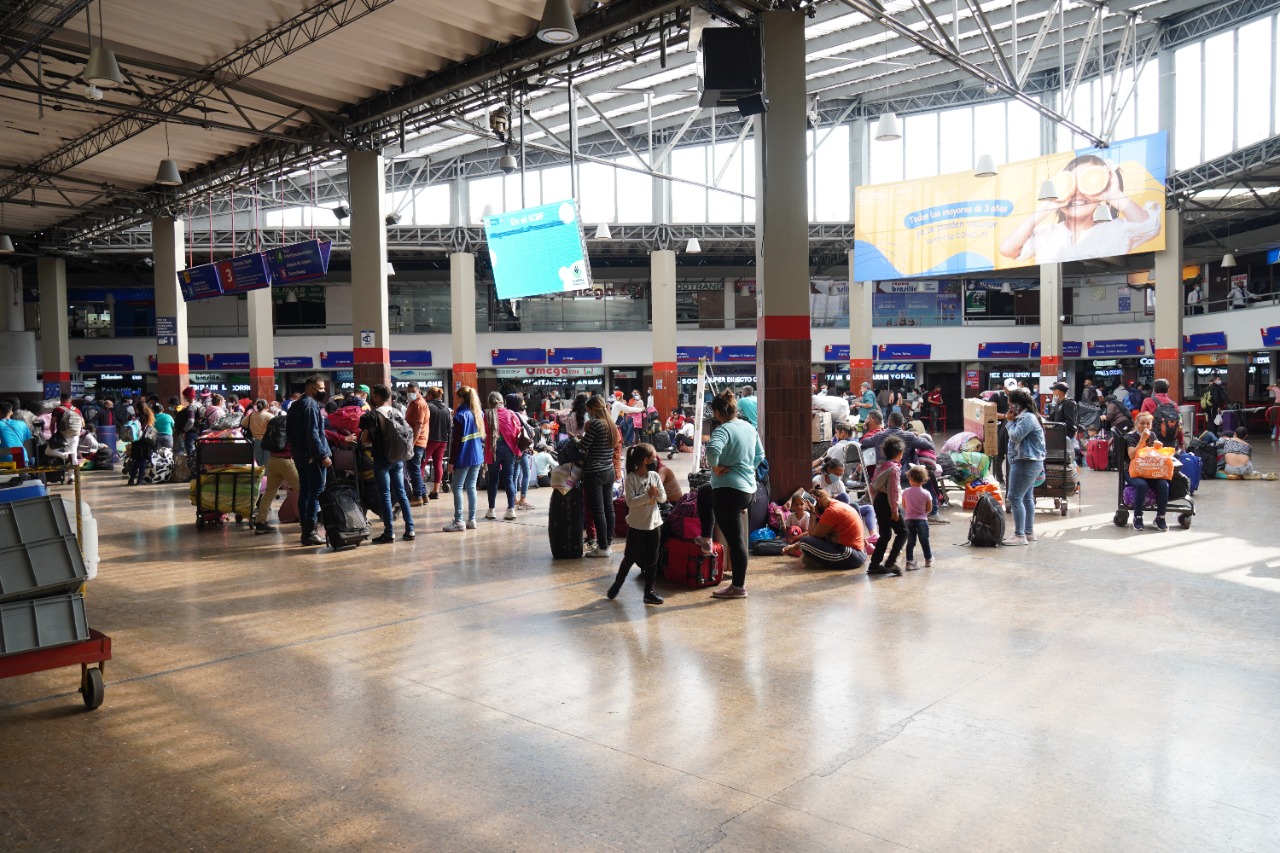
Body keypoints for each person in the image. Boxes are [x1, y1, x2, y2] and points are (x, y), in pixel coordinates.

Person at [999, 154, 1161, 263]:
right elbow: (1008, 250)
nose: (1077, 194)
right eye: (1071, 184)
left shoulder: (1117, 230)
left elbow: (1148, 227)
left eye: (1087, 184)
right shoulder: (1046, 234)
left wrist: (1114, 196)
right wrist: (1046, 207)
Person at [699, 391, 765, 600]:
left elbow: (711, 451)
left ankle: (738, 586)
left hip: (728, 491)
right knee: (704, 492)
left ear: (718, 412)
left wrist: (716, 467)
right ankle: (707, 538)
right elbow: (760, 455)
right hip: (748, 490)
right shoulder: (748, 428)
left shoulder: (722, 430)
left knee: (736, 542)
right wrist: (747, 468)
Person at [605, 444, 667, 605]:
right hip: (637, 526)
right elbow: (631, 502)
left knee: (653, 559)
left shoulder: (654, 476)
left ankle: (649, 592)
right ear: (645, 461)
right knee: (630, 557)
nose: (656, 460)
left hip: (654, 525)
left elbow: (663, 498)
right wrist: (648, 496)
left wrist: (657, 494)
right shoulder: (631, 478)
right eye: (653, 458)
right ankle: (616, 586)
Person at [359, 384, 414, 543]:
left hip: (382, 460)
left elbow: (365, 440)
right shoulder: (397, 411)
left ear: (376, 397)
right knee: (402, 493)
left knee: (385, 495)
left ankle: (389, 533)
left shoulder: (372, 416)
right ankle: (410, 530)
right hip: (398, 458)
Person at [285, 375, 332, 547]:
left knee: (305, 491)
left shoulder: (295, 405)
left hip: (299, 455)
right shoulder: (311, 406)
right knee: (316, 492)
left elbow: (289, 431)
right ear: (312, 389)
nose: (323, 391)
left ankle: (305, 526)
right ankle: (310, 532)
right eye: (321, 388)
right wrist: (323, 455)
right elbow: (313, 434)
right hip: (313, 456)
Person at [780, 486, 868, 570]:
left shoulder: (831, 511)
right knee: (810, 543)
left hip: (850, 555)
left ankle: (818, 560)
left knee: (804, 543)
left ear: (817, 501)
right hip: (860, 551)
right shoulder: (836, 504)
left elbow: (813, 535)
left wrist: (812, 513)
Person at [580, 395, 622, 557]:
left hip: (594, 472)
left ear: (592, 409)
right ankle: (608, 544)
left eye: (588, 410)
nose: (587, 412)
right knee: (608, 509)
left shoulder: (596, 424)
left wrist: (576, 440)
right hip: (608, 470)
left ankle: (602, 547)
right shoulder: (611, 424)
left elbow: (584, 446)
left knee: (598, 511)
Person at [1003, 388, 1046, 546]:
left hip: (1025, 462)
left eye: (1010, 405)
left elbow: (1015, 437)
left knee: (1014, 497)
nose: (1009, 409)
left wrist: (1009, 421)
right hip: (1027, 461)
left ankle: (1019, 535)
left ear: (1016, 405)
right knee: (1027, 497)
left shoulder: (1026, 418)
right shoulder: (1028, 416)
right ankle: (1028, 532)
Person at [442, 386, 486, 532]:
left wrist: (451, 462)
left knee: (457, 487)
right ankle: (472, 520)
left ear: (461, 398)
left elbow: (455, 442)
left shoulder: (460, 416)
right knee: (471, 486)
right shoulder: (479, 413)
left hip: (463, 456)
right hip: (477, 455)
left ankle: (458, 520)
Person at [865, 436, 906, 576]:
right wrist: (894, 510)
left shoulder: (881, 465)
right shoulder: (894, 469)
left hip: (879, 501)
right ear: (899, 453)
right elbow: (893, 491)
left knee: (885, 534)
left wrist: (876, 502)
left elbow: (872, 487)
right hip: (888, 503)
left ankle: (874, 565)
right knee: (903, 532)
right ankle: (891, 562)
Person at [1125, 412, 1172, 530]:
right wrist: (1142, 440)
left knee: (1163, 484)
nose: (1145, 426)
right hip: (1134, 471)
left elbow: (1155, 455)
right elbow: (1131, 455)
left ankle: (1160, 517)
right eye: (1141, 423)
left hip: (1151, 470)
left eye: (1147, 423)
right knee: (1142, 485)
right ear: (1136, 424)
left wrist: (1158, 447)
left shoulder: (1153, 435)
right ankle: (1138, 516)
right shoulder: (1130, 436)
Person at [252, 418, 300, 535]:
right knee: (303, 490)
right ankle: (309, 520)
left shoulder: (278, 428)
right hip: (286, 462)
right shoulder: (293, 427)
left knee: (269, 493)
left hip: (272, 460)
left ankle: (260, 522)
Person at [483, 392, 522, 522]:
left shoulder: (486, 415)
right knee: (509, 480)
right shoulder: (510, 413)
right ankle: (511, 510)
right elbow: (517, 430)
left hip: (492, 449)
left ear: (490, 402)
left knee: (493, 480)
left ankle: (491, 510)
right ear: (502, 401)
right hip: (509, 450)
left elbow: (483, 432)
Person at [506, 392, 536, 511]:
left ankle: (513, 499)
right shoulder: (520, 416)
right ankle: (523, 499)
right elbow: (529, 432)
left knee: (515, 473)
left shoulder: (506, 414)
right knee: (526, 472)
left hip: (512, 447)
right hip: (522, 448)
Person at [403, 383, 430, 506]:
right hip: (418, 441)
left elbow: (418, 427)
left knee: (413, 469)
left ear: (419, 391)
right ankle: (423, 494)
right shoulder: (414, 403)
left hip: (417, 441)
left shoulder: (419, 404)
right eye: (408, 391)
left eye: (413, 391)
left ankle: (418, 496)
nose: (410, 393)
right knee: (415, 469)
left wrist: (411, 444)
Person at [902, 465, 934, 570]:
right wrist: (923, 513)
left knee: (910, 541)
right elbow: (929, 508)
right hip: (922, 520)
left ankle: (909, 562)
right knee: (924, 541)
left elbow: (904, 505)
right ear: (923, 479)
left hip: (909, 520)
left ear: (911, 479)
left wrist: (911, 511)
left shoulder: (905, 492)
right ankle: (928, 559)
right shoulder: (926, 493)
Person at [423, 386, 452, 500]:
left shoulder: (428, 407)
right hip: (443, 440)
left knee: (422, 464)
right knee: (438, 464)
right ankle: (435, 490)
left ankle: (420, 491)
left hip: (430, 440)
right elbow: (450, 426)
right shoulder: (446, 409)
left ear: (430, 395)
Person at [128, 400, 156, 486]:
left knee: (136, 461)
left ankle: (131, 480)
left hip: (136, 441)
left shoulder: (135, 417)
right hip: (145, 441)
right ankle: (139, 480)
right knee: (143, 460)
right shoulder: (148, 416)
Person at [0, 402, 32, 467]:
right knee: (23, 477)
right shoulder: (22, 424)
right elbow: (27, 440)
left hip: (4, 460)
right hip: (22, 458)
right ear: (11, 412)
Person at [244, 399, 272, 467]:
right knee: (267, 462)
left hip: (256, 440)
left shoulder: (251, 415)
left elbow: (243, 423)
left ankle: (260, 476)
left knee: (258, 462)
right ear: (267, 406)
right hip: (268, 441)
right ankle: (266, 476)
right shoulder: (269, 416)